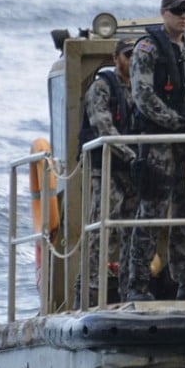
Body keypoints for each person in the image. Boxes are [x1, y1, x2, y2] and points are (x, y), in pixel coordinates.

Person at [126, 0, 185, 302]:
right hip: (157, 143)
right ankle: (136, 284)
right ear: (164, 13)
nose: (184, 16)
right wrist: (175, 121)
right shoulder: (147, 48)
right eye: (177, 10)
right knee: (151, 212)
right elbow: (143, 96)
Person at [77, 37, 139, 306]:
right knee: (102, 229)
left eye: (137, 55)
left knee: (132, 230)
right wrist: (132, 155)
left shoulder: (142, 89)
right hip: (108, 169)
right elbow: (103, 126)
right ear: (116, 59)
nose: (133, 60)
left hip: (134, 171)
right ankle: (90, 290)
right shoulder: (102, 87)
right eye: (128, 55)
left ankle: (130, 287)